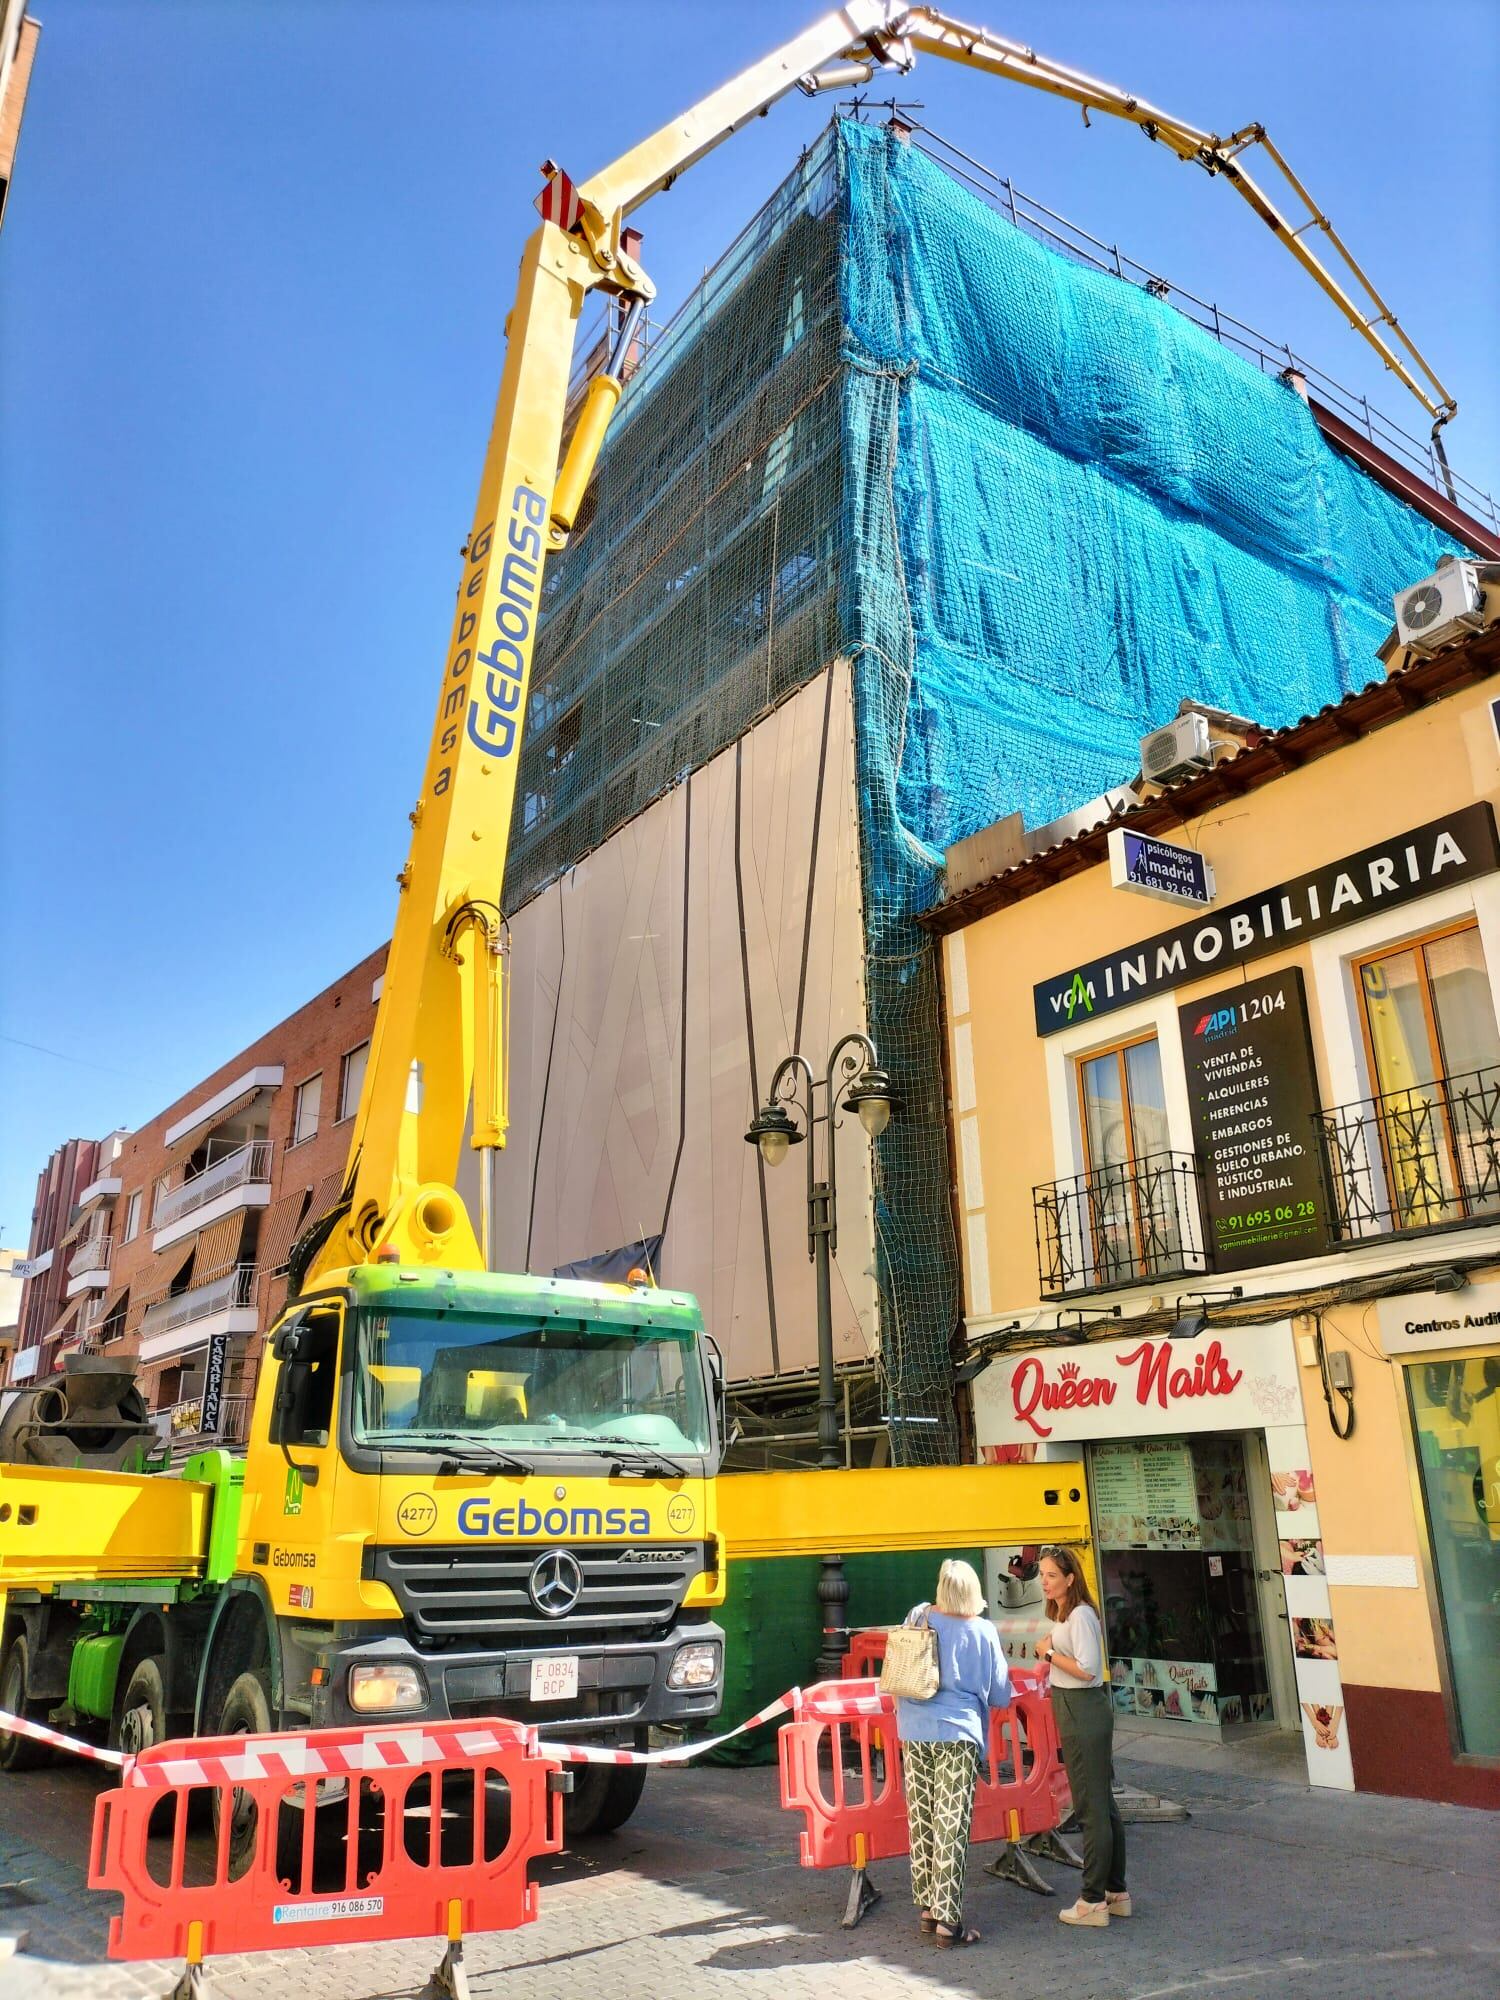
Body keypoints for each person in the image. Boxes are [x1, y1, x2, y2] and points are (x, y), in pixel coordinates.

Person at [895, 1557, 1011, 1949]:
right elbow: (999, 1694)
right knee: (952, 1824)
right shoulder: (983, 1630)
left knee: (923, 1819)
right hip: (958, 1733)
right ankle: (949, 1923)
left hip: (913, 1727)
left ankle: (928, 1910)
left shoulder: (919, 1615)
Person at [1037, 1545, 1128, 1928]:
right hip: (1077, 1707)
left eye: (1052, 1576)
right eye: (1042, 1575)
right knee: (1102, 1806)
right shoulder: (1071, 1616)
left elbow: (1088, 1670)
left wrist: (1047, 1655)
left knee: (1092, 1809)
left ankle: (1092, 1899)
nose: (1045, 1582)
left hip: (1081, 1708)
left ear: (1071, 1578)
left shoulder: (1081, 1616)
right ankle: (1114, 1891)